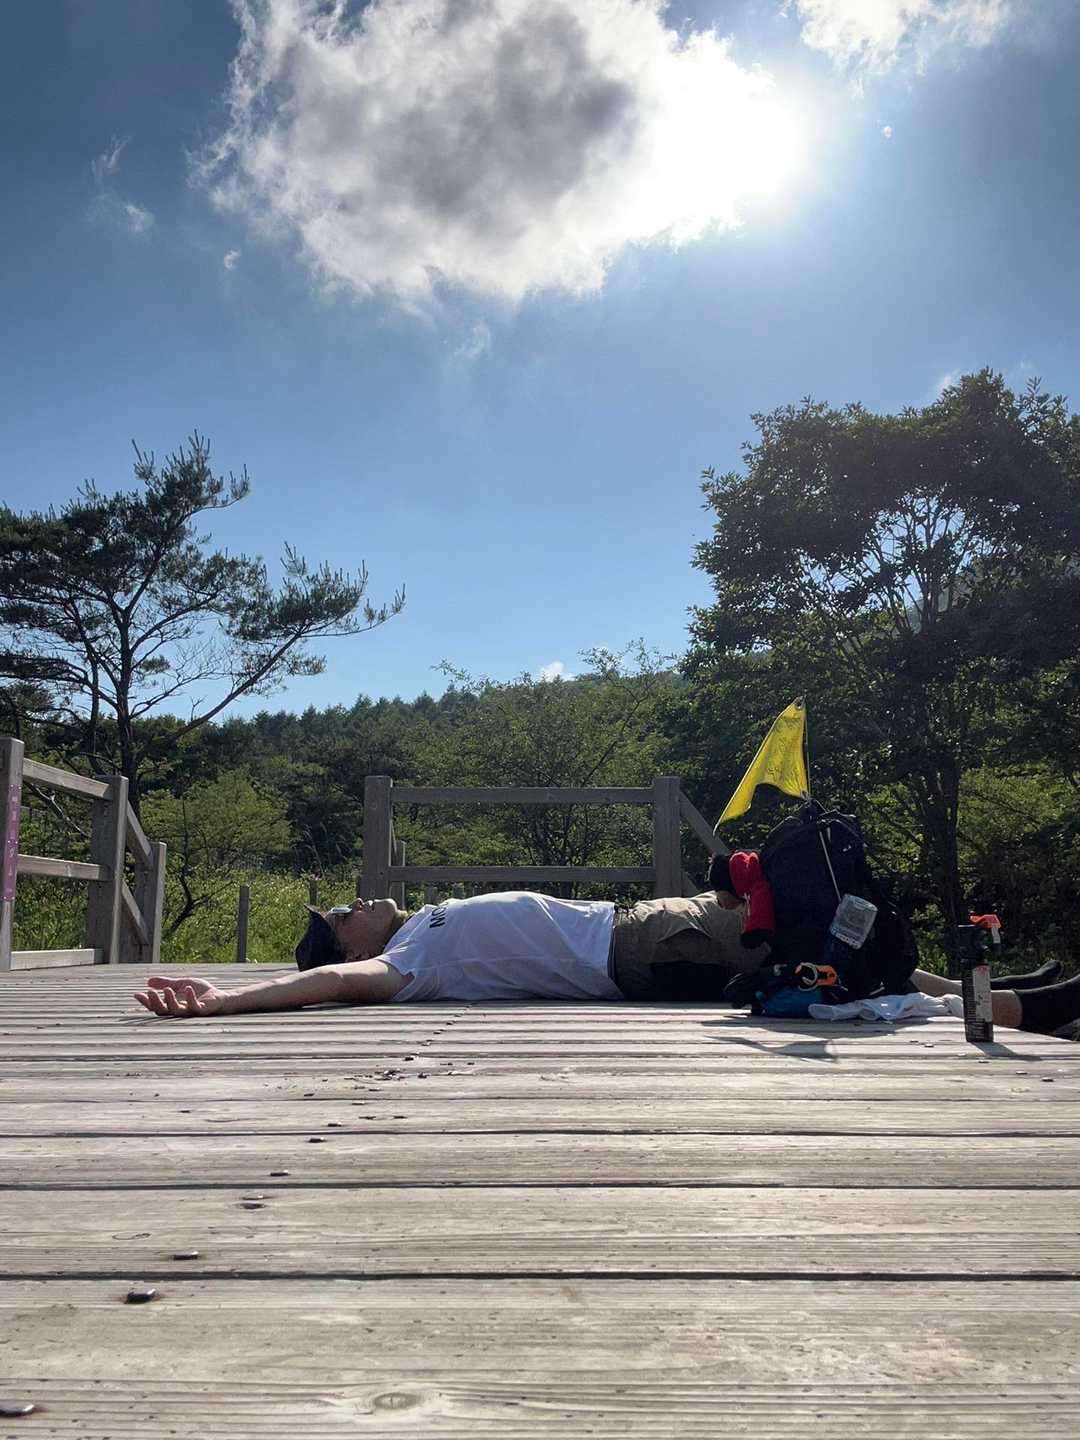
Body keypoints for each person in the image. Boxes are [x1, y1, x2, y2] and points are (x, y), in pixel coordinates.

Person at [134, 889, 1079, 1036]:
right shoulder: (402, 966)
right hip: (644, 947)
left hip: (645, 928)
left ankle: (992, 991)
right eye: (344, 916)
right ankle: (1015, 1010)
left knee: (822, 933)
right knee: (821, 943)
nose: (358, 903)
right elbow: (330, 985)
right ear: (350, 941)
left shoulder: (419, 930)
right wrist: (226, 1000)